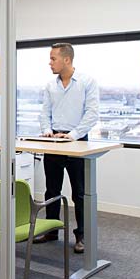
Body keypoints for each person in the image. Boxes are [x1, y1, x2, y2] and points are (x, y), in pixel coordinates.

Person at [35, 42, 99, 253]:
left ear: (67, 60)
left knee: (80, 193)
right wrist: (46, 130)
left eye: (53, 58)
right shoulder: (50, 86)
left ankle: (82, 236)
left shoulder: (87, 82)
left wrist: (71, 135)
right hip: (53, 141)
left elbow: (92, 114)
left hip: (77, 141)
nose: (49, 62)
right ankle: (52, 229)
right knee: (51, 190)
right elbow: (44, 113)